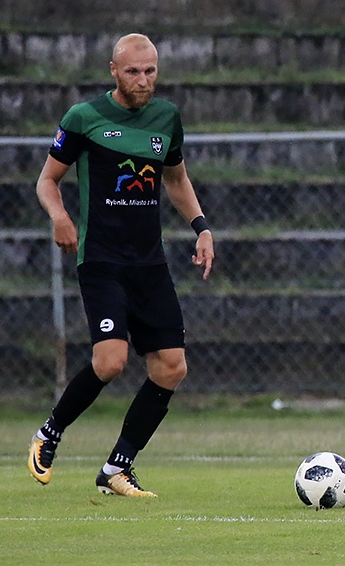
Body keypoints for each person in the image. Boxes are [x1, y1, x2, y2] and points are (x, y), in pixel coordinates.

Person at [28, 33, 214, 497]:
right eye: (133, 71)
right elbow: (47, 180)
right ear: (114, 70)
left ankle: (116, 469)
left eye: (150, 71)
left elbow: (175, 178)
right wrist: (60, 217)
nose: (143, 80)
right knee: (110, 361)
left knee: (171, 367)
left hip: (148, 262)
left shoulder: (166, 117)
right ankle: (48, 434)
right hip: (103, 259)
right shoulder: (84, 117)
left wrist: (202, 227)